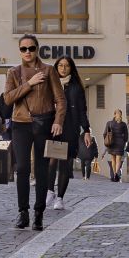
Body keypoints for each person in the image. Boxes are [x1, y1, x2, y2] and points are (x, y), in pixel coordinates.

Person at [4, 33, 66, 231]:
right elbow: (7, 99)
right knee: (22, 168)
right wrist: (29, 84)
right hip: (21, 124)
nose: (28, 52)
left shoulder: (48, 71)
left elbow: (61, 100)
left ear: (37, 49)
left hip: (44, 123)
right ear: (20, 51)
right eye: (24, 49)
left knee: (41, 169)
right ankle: (23, 212)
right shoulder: (13, 73)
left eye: (31, 48)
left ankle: (38, 214)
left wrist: (58, 121)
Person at [47, 56, 89, 211]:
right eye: (60, 65)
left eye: (66, 66)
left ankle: (60, 198)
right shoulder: (50, 84)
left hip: (70, 129)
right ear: (56, 67)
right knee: (52, 160)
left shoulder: (76, 87)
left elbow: (82, 110)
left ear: (71, 68)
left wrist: (86, 130)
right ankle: (50, 191)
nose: (63, 68)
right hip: (53, 127)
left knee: (65, 164)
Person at [103, 109, 128, 182]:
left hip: (112, 143)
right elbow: (126, 135)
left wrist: (107, 141)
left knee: (113, 159)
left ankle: (114, 174)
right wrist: (124, 141)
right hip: (120, 143)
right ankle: (116, 173)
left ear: (114, 115)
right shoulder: (123, 124)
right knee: (118, 160)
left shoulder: (109, 123)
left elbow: (105, 133)